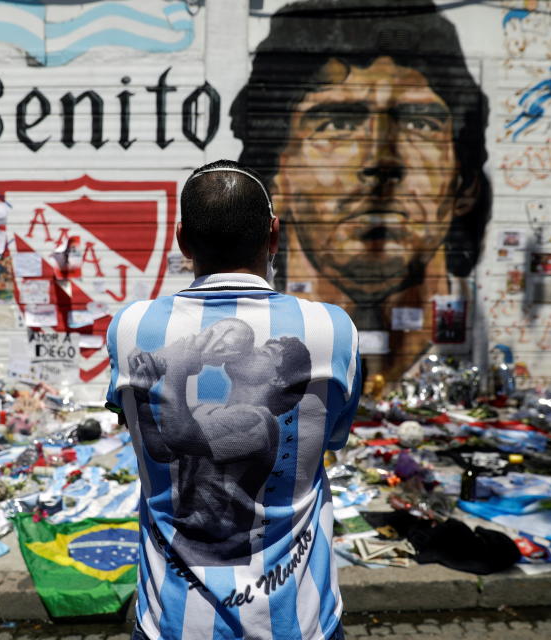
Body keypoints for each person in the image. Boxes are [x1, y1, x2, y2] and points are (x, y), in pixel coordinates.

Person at [106, 159, 361, 640]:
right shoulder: (335, 329)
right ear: (274, 236)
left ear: (182, 241)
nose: (256, 346)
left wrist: (178, 367)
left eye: (268, 351)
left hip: (171, 622)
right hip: (299, 623)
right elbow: (162, 447)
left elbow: (174, 433)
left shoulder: (134, 328)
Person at [230, 0, 491, 384]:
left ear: (464, 182)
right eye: (337, 123)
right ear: (275, 177)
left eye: (419, 123)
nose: (381, 160)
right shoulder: (241, 355)